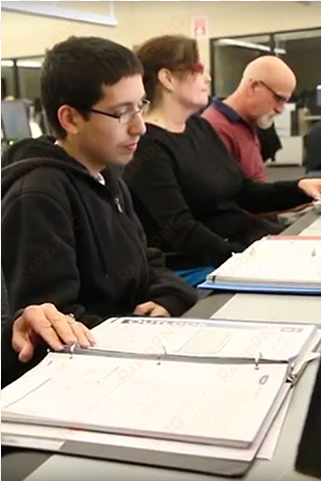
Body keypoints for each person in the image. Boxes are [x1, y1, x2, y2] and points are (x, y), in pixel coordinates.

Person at [1, 36, 197, 384]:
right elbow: (57, 329)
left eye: (140, 106)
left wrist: (168, 297)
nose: (140, 126)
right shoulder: (39, 196)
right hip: (95, 380)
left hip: (135, 354)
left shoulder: (108, 174)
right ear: (71, 118)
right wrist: (141, 328)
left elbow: (147, 261)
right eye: (122, 112)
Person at [124, 35, 321, 275]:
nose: (207, 78)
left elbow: (245, 192)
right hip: (201, 265)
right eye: (198, 69)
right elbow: (182, 232)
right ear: (167, 79)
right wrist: (247, 259)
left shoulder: (199, 127)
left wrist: (300, 187)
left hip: (239, 248)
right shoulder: (147, 146)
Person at [202, 56, 296, 182]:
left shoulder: (248, 123)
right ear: (254, 86)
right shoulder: (216, 129)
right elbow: (224, 196)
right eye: (278, 99)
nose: (280, 109)